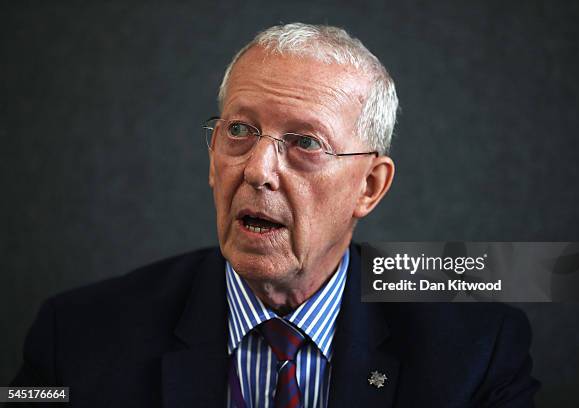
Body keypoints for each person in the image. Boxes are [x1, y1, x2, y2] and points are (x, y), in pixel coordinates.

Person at [11, 23, 539, 407]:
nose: (258, 170)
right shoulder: (76, 337)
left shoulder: (478, 351)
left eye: (306, 142)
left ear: (369, 187)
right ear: (213, 158)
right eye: (239, 131)